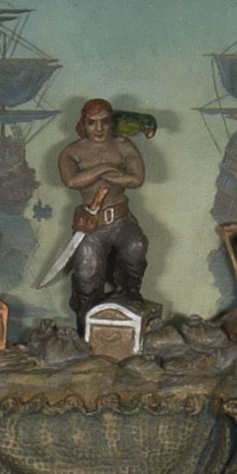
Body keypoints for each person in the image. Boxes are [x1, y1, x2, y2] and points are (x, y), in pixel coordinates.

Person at [49, 97, 154, 322]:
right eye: (92, 123)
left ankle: (129, 293)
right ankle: (86, 314)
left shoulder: (123, 145)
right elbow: (72, 181)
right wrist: (105, 168)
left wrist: (97, 175)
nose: (99, 129)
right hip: (92, 223)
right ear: (83, 124)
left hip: (121, 219)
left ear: (111, 123)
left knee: (136, 247)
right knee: (87, 271)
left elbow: (136, 179)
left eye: (105, 122)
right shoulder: (72, 152)